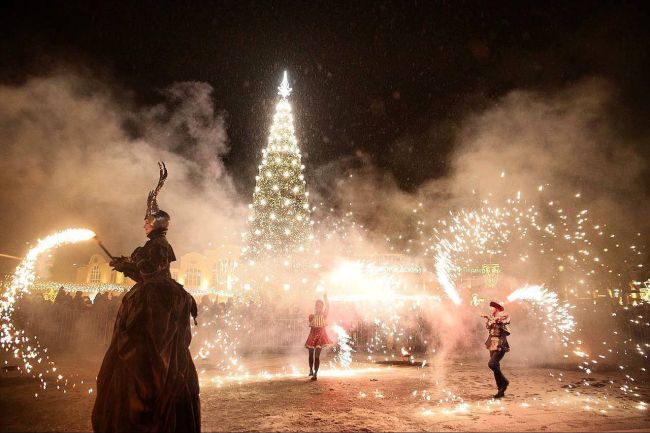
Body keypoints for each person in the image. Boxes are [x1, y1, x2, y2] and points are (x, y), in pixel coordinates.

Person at [92, 162, 201, 432]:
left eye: (146, 220)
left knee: (142, 354)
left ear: (153, 224)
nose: (143, 223)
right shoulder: (157, 246)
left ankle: (145, 404)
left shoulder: (155, 247)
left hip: (152, 300)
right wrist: (126, 265)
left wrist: (126, 264)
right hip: (160, 293)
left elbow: (148, 274)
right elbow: (148, 274)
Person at [481, 301, 511, 399]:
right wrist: (489, 319)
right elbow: (488, 326)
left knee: (492, 364)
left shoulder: (504, 315)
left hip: (500, 343)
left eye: (492, 307)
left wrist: (490, 318)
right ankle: (500, 390)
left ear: (496, 308)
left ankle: (505, 382)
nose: (490, 309)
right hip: (492, 343)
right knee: (495, 367)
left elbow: (502, 321)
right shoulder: (491, 316)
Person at [304, 293, 333, 381]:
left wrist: (326, 299)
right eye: (317, 306)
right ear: (315, 307)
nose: (319, 308)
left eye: (320, 306)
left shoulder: (324, 315)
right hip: (312, 335)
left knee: (317, 356)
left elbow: (328, 307)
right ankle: (311, 370)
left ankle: (315, 373)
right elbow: (313, 324)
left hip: (320, 336)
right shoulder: (311, 316)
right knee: (310, 355)